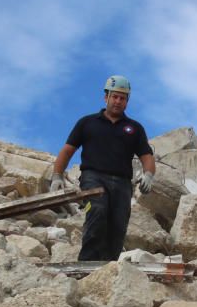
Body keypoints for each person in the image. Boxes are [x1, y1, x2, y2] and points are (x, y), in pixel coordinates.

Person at [50, 75, 156, 261]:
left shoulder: (134, 128)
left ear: (127, 102)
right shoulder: (87, 123)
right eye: (114, 96)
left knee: (118, 225)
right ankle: (86, 264)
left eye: (122, 98)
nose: (118, 101)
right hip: (93, 178)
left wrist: (148, 175)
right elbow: (67, 151)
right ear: (105, 97)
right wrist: (57, 176)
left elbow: (147, 157)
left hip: (122, 184)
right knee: (97, 212)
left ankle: (108, 267)